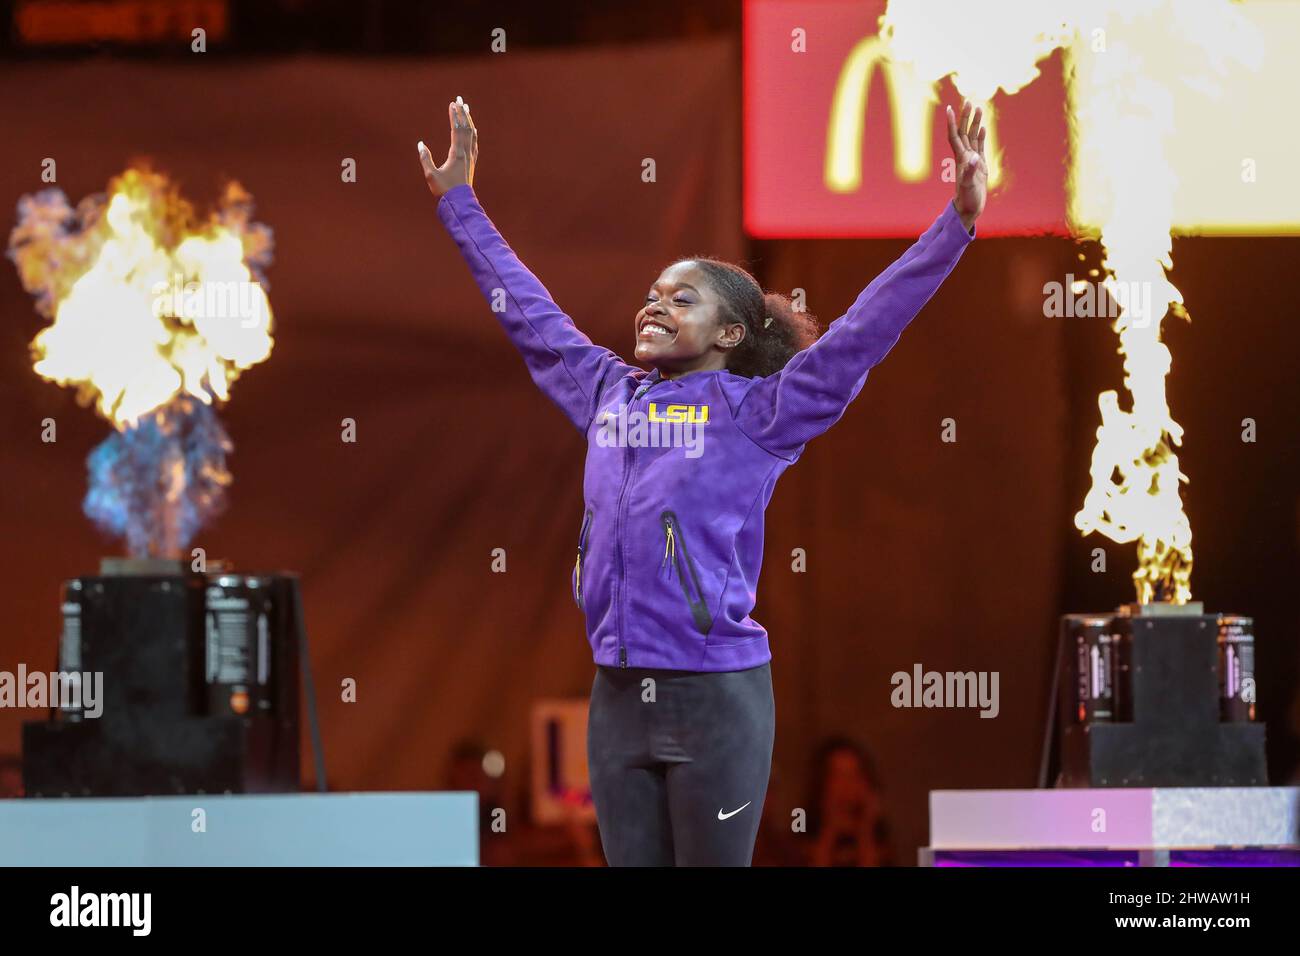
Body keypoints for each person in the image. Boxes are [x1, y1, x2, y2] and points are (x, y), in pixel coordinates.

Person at [419, 94, 986, 866]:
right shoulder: (605, 392)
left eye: (681, 299)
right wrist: (459, 202)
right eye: (653, 294)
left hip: (717, 699)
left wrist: (954, 226)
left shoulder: (761, 413)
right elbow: (527, 311)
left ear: (729, 333)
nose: (655, 305)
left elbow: (861, 335)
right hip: (617, 699)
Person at [804, 736, 896, 867]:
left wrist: (866, 830)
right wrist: (829, 832)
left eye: (854, 775)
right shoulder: (803, 828)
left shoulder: (878, 834)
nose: (846, 785)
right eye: (838, 776)